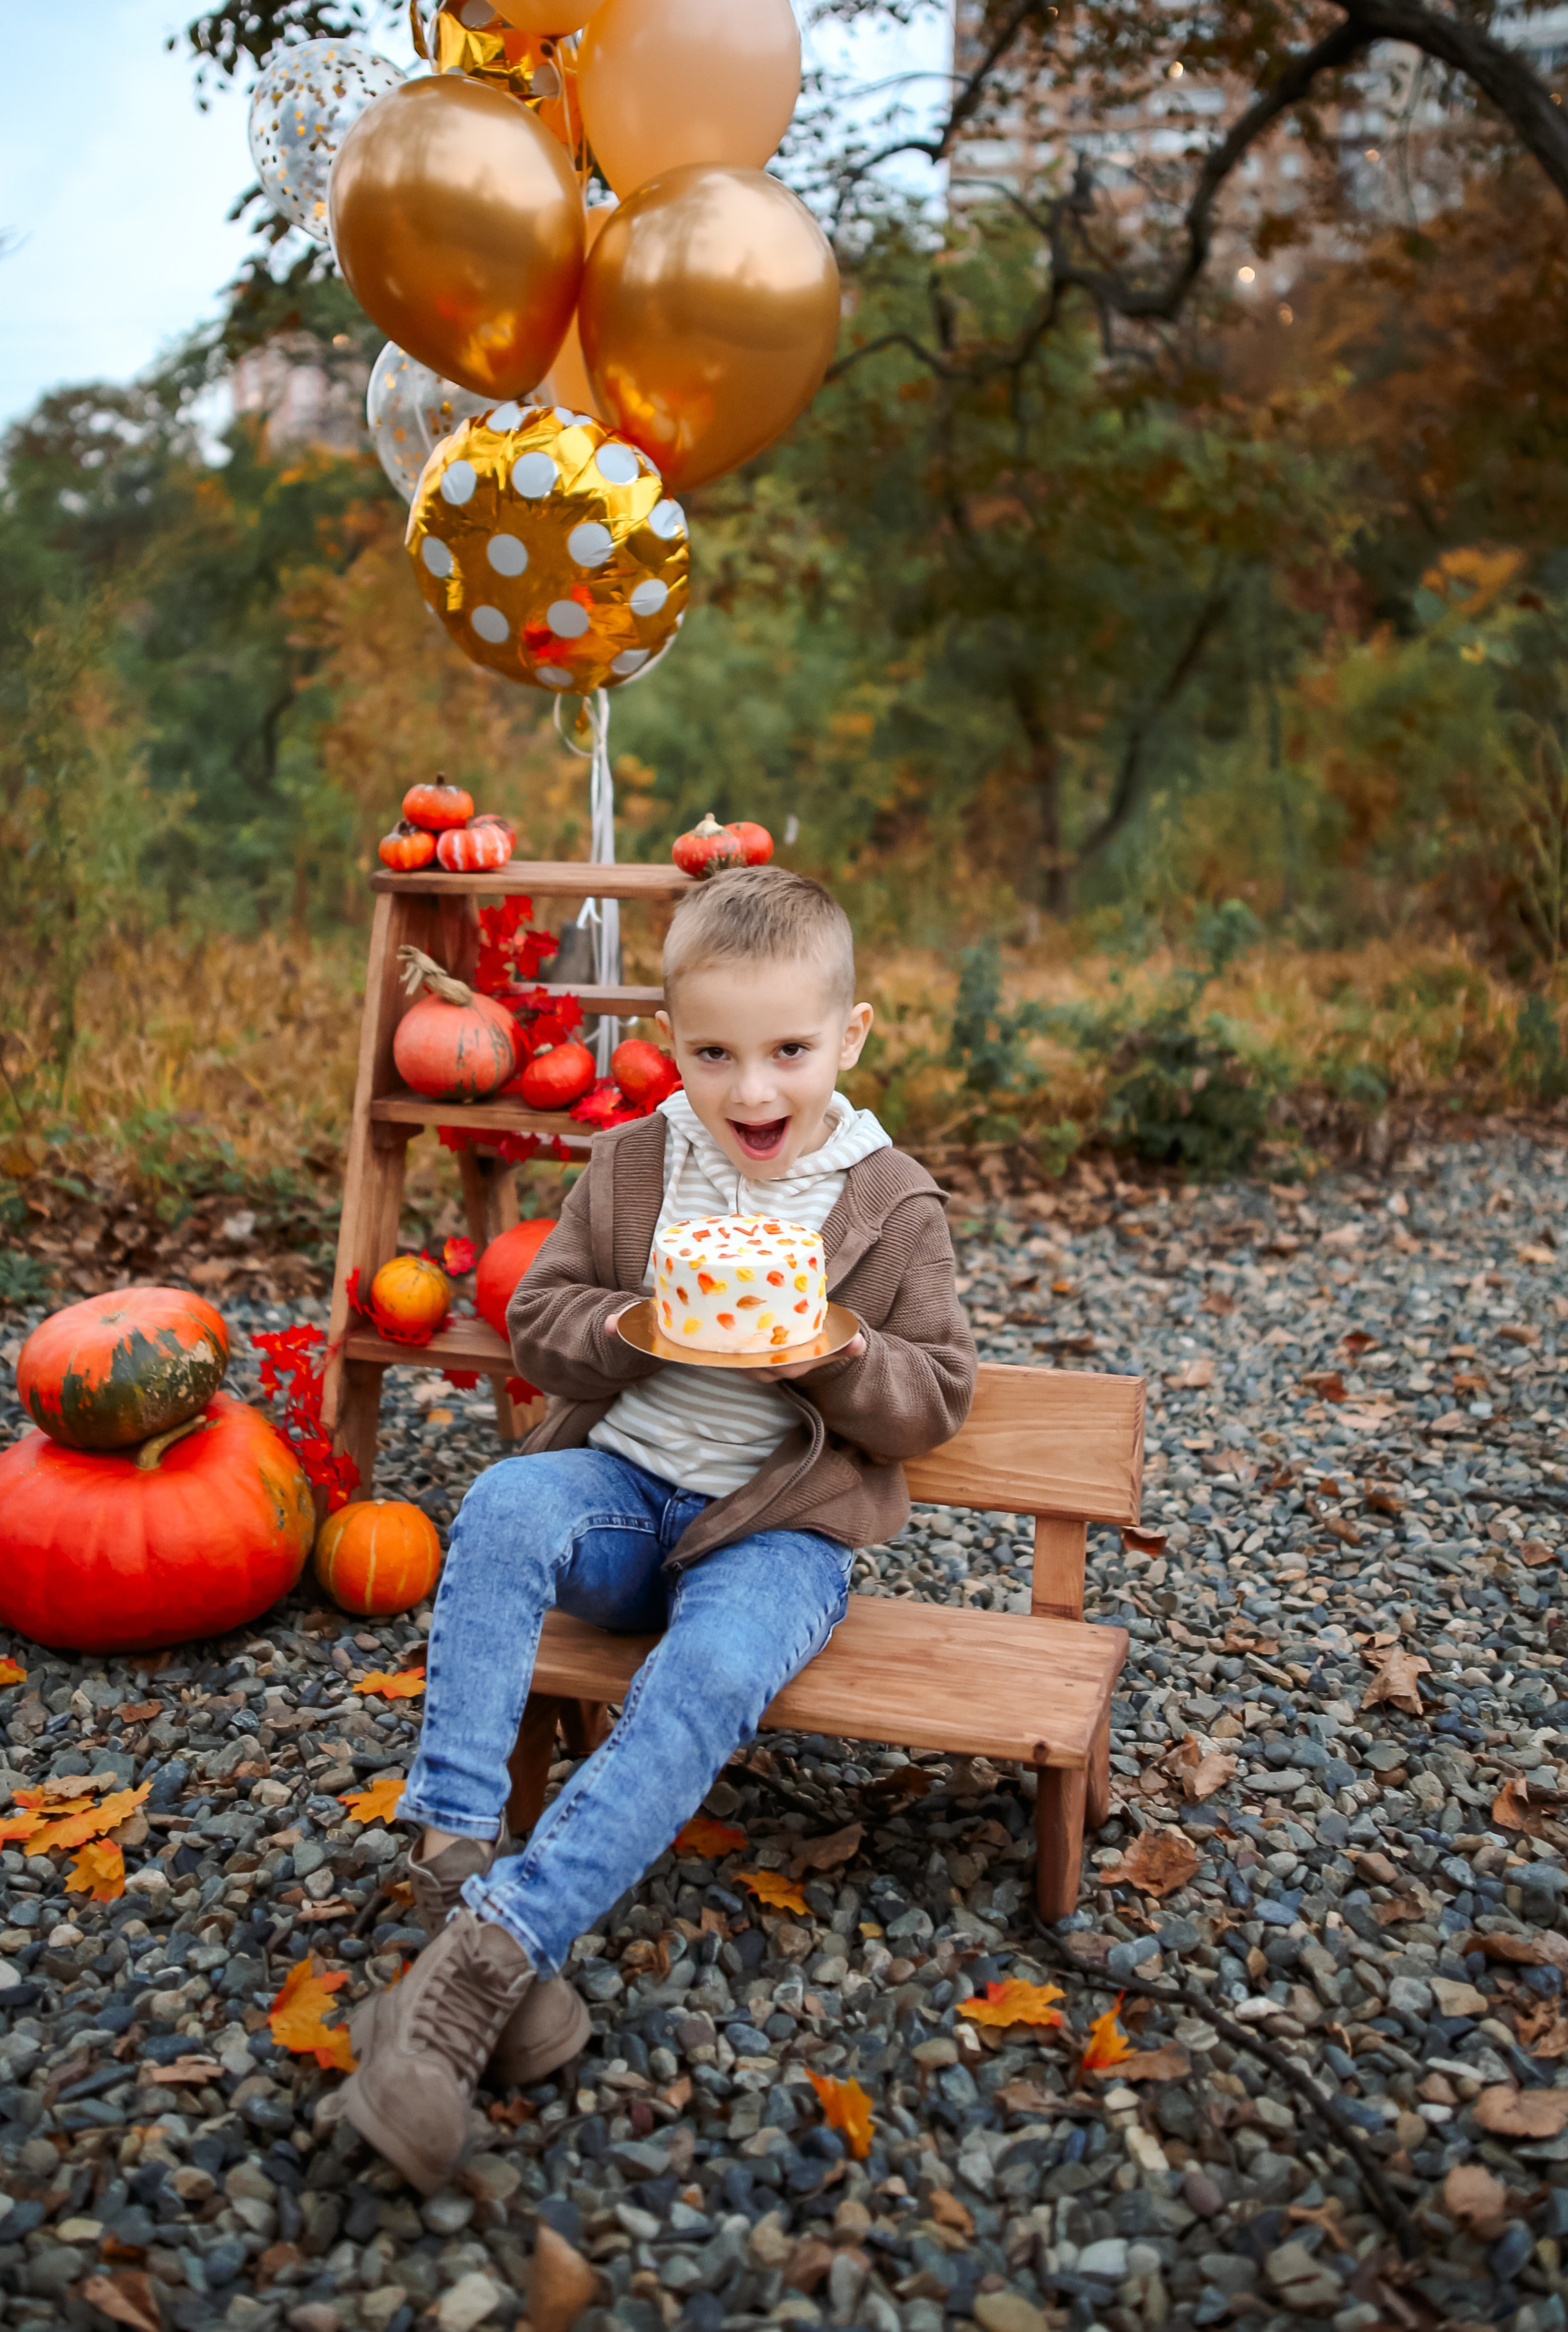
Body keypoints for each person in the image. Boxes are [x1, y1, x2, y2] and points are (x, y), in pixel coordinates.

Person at [341, 867, 977, 2188]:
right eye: (714, 1053)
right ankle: (451, 1857)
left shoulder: (891, 1201)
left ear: (848, 1040)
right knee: (508, 1501)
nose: (752, 1092)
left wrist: (834, 1348)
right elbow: (540, 1325)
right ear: (670, 1042)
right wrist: (629, 1332)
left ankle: (482, 1966)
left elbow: (935, 1404)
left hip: (776, 1531)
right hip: (626, 1491)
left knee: (714, 1673)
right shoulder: (635, 1166)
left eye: (789, 1052)